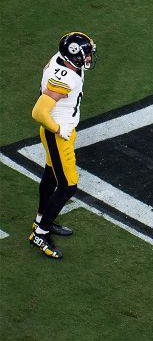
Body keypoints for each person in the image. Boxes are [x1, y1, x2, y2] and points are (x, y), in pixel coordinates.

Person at [28, 31, 97, 259]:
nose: (88, 59)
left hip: (59, 130)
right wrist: (58, 129)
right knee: (68, 186)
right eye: (85, 55)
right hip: (58, 134)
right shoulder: (66, 76)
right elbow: (38, 111)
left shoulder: (63, 60)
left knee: (50, 174)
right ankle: (41, 233)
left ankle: (41, 220)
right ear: (73, 55)